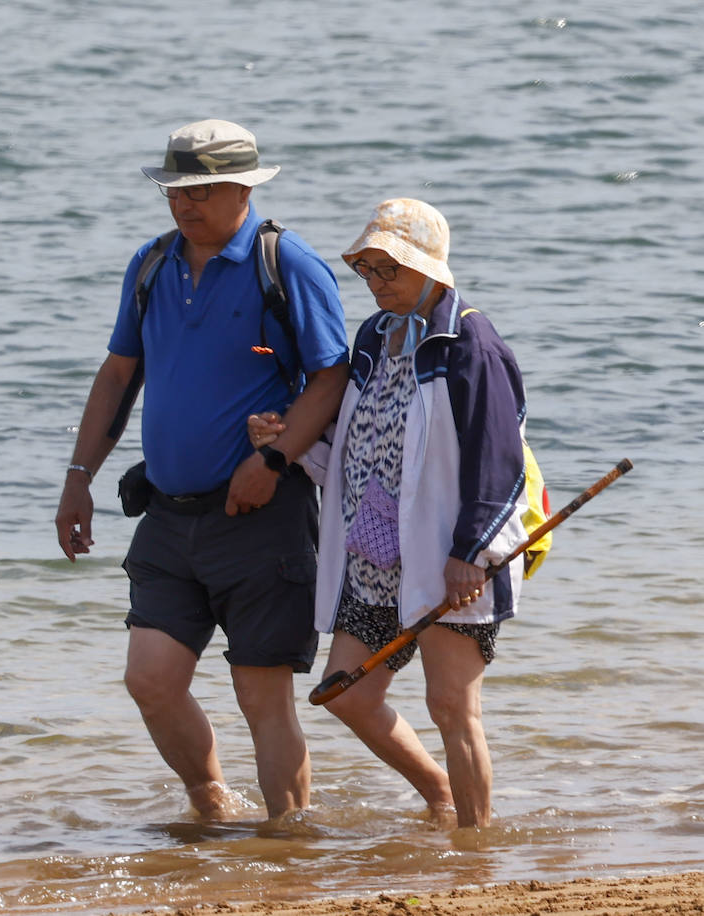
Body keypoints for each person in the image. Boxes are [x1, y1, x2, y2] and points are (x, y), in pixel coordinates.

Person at [54, 120, 350, 820]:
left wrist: (273, 461)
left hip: (260, 515)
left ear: (244, 187)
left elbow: (332, 377)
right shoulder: (151, 265)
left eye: (205, 191)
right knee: (150, 680)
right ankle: (211, 806)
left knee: (261, 696)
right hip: (167, 512)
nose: (187, 205)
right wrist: (78, 476)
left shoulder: (287, 263)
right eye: (176, 190)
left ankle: (287, 845)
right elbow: (120, 371)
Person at [248, 198, 531, 828]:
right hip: (374, 556)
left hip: (445, 559)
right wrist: (286, 441)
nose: (376, 286)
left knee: (452, 708)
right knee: (346, 694)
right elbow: (356, 441)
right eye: (367, 272)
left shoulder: (469, 341)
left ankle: (474, 850)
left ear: (430, 267)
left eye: (389, 271)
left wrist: (470, 554)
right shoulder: (375, 336)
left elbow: (498, 460)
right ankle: (441, 795)